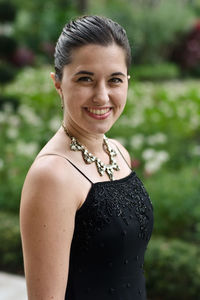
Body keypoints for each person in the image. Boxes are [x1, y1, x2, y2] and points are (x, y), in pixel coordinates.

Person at [20, 15, 154, 300]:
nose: (102, 96)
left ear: (127, 81)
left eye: (115, 80)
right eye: (85, 79)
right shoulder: (52, 176)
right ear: (58, 83)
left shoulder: (118, 152)